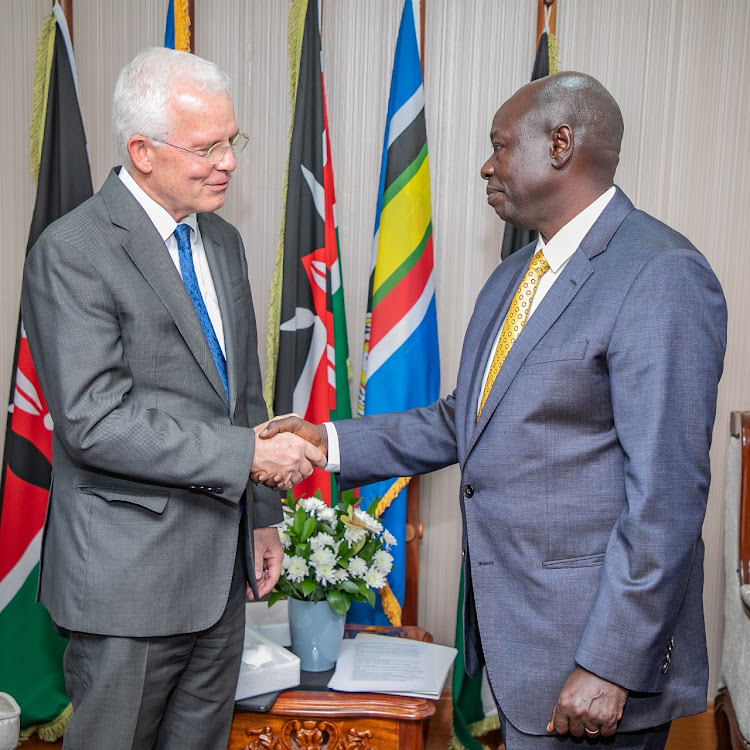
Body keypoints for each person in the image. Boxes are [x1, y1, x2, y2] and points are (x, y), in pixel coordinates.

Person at [257, 72, 727, 749]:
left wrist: (610, 662)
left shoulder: (660, 274)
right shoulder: (514, 276)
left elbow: (669, 495)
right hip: (520, 650)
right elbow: (461, 422)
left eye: (501, 146)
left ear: (561, 143)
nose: (487, 164)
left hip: (591, 663)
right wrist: (323, 439)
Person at [21, 48, 324, 750]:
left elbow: (240, 389)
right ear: (142, 151)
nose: (228, 161)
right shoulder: (74, 250)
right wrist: (247, 454)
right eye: (207, 146)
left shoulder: (222, 241)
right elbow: (94, 421)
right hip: (127, 582)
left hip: (219, 572)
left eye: (232, 140)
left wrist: (263, 516)